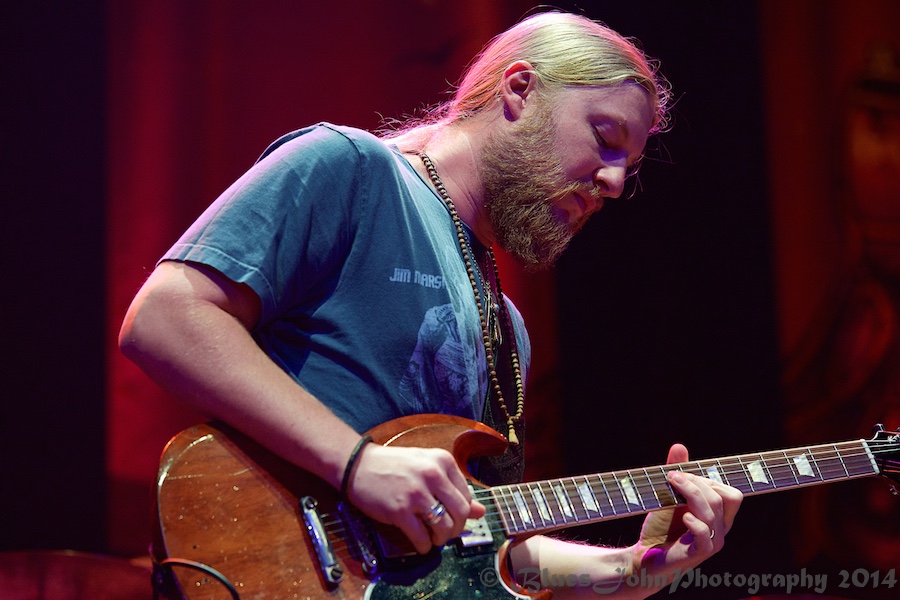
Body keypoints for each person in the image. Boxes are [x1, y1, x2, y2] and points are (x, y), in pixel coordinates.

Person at [119, 11, 742, 598]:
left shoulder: (508, 329)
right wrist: (354, 462)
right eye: (605, 138)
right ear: (520, 89)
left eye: (626, 168)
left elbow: (475, 544)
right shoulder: (351, 169)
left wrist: (631, 569)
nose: (612, 182)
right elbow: (166, 317)